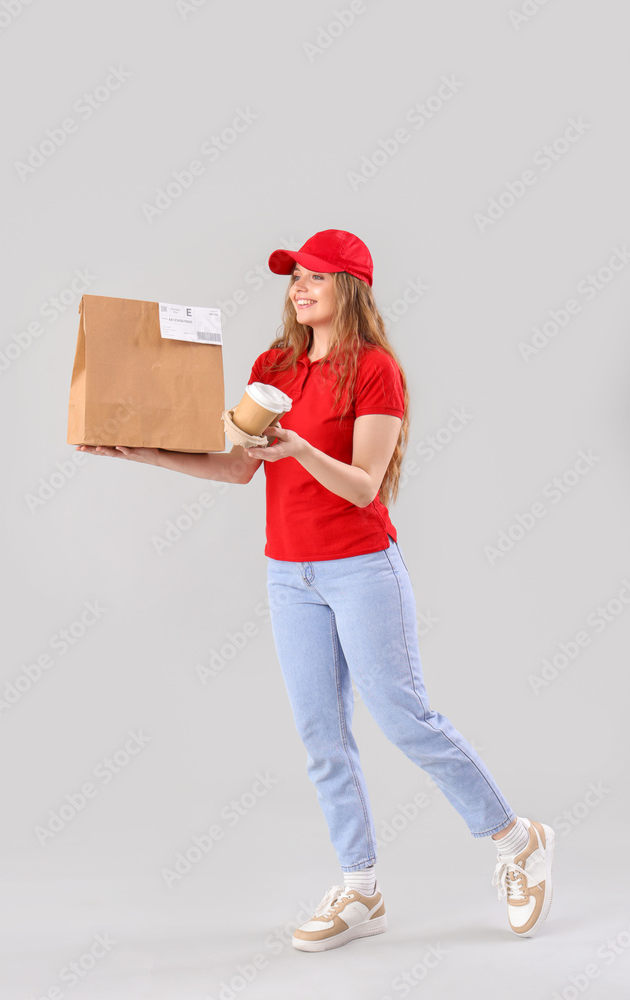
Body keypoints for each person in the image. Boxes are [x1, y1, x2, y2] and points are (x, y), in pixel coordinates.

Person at [76, 229, 555, 954]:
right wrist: (141, 450)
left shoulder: (376, 371)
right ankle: (360, 890)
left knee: (403, 718)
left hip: (360, 567)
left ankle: (517, 840)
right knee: (320, 737)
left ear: (350, 289)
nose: (298, 288)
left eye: (315, 278)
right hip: (288, 573)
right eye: (293, 277)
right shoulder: (275, 365)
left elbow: (363, 486)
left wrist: (300, 448)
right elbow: (240, 469)